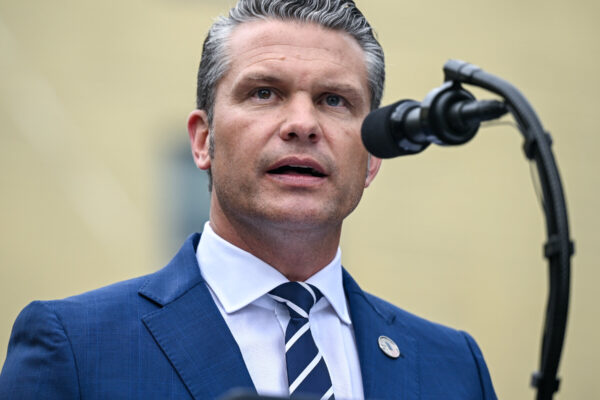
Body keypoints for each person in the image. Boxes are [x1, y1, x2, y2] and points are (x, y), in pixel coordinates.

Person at [0, 1, 497, 399]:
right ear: (203, 141)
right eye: (264, 93)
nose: (302, 124)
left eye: (334, 100)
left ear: (372, 156)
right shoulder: (76, 347)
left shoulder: (453, 367)